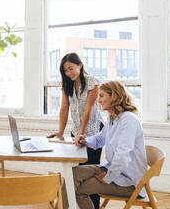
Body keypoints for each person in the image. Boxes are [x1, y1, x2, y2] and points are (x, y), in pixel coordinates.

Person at [68, 81, 147, 209]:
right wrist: (85, 141)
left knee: (78, 189)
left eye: (102, 96)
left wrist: (109, 175)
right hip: (114, 170)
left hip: (129, 182)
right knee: (72, 173)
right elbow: (100, 139)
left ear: (114, 96)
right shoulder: (113, 118)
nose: (98, 101)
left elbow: (123, 155)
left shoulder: (128, 120)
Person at [47, 52, 103, 208]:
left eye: (71, 68)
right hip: (77, 131)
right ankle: (77, 204)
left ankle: (94, 206)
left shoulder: (93, 82)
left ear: (80, 65)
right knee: (79, 171)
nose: (68, 73)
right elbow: (64, 109)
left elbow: (89, 109)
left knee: (91, 171)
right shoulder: (67, 84)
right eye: (65, 70)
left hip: (94, 132)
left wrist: (82, 133)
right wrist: (60, 132)